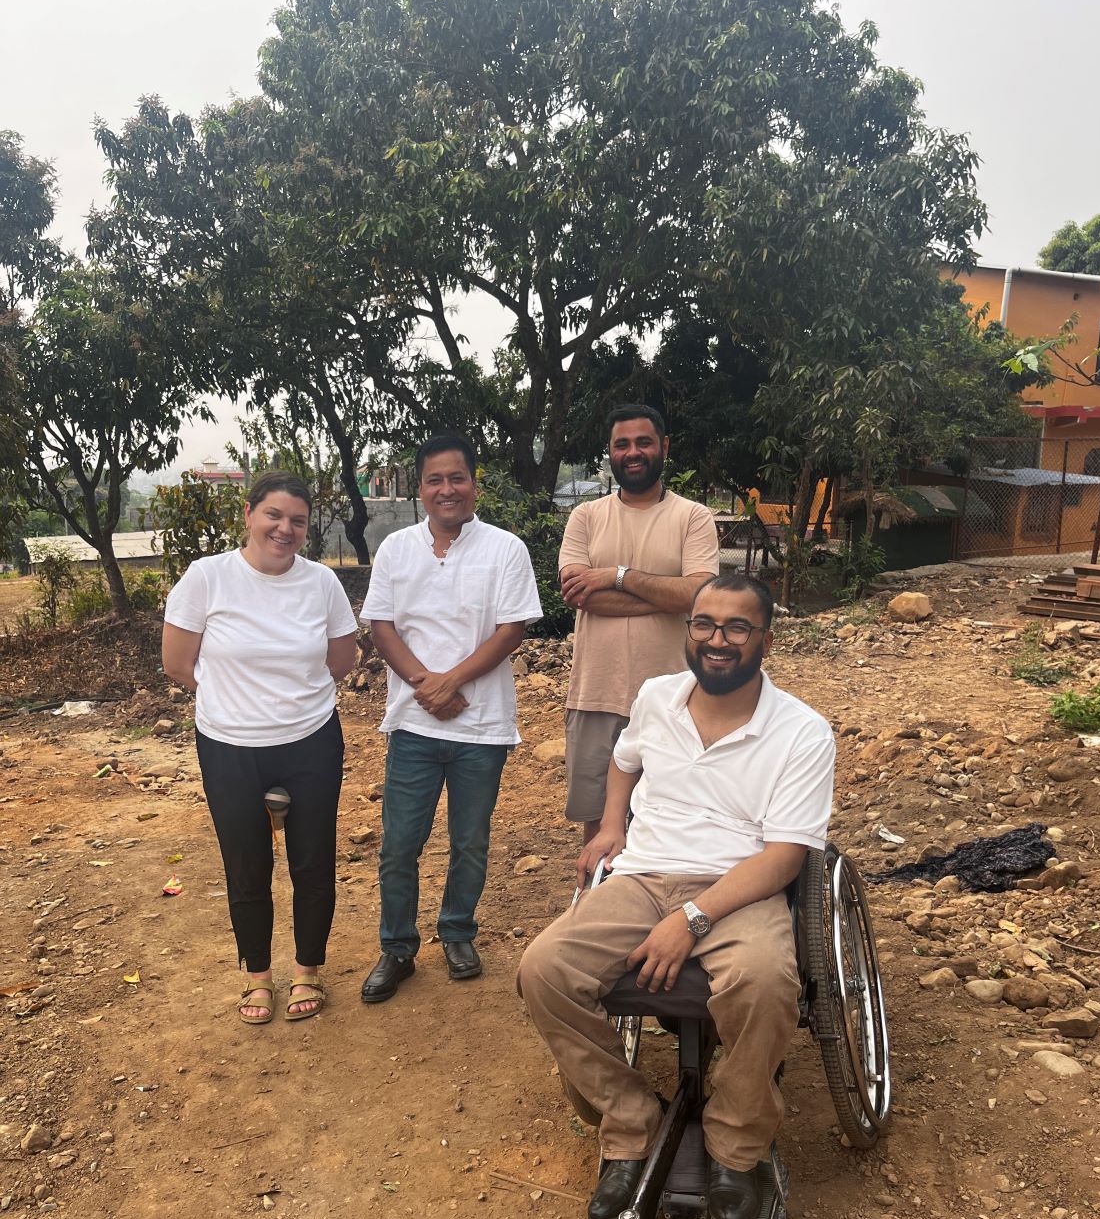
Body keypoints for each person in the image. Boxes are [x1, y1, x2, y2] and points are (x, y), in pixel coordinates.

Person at [517, 573, 835, 1219]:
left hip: (741, 884)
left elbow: (784, 857)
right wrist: (611, 825)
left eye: (737, 627)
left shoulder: (801, 732)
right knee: (543, 970)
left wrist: (691, 919)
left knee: (764, 982)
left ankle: (736, 1144)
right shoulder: (657, 696)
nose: (718, 640)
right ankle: (630, 1120)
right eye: (704, 624)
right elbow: (625, 759)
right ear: (688, 630)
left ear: (765, 640)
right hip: (643, 874)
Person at [162, 471, 358, 1025]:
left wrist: (289, 698)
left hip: (311, 740)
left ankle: (308, 969)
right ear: (249, 514)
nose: (284, 529)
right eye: (274, 515)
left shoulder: (321, 583)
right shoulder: (207, 578)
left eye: (298, 520)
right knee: (246, 864)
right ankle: (257, 977)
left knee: (313, 861)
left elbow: (341, 660)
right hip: (230, 744)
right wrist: (237, 700)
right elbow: (178, 664)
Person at [359, 433, 542, 1003]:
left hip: (481, 728)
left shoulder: (505, 549)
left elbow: (512, 629)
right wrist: (428, 685)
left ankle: (458, 932)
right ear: (420, 488)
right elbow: (382, 625)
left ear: (473, 484)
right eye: (435, 480)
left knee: (470, 841)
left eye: (456, 478)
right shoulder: (396, 549)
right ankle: (397, 947)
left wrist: (452, 681)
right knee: (399, 845)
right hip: (413, 725)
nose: (447, 489)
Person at [559, 405, 719, 843]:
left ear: (663, 446)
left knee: (670, 823)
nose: (633, 452)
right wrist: (665, 594)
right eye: (622, 444)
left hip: (677, 697)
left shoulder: (694, 517)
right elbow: (578, 594)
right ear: (610, 452)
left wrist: (616, 576)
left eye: (644, 442)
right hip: (596, 692)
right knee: (598, 825)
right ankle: (598, 887)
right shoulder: (585, 517)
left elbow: (700, 595)